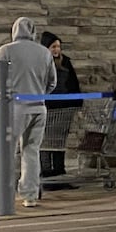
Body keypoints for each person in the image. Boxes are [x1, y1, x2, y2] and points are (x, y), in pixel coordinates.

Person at [0, 17, 56, 210]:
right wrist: (39, 93)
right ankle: (30, 196)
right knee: (31, 151)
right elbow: (52, 82)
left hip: (15, 107)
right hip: (39, 106)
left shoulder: (6, 50)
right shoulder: (44, 53)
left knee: (6, 151)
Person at [40, 30, 82, 186]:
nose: (57, 50)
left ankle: (59, 172)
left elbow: (73, 84)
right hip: (48, 108)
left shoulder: (66, 63)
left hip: (64, 109)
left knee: (59, 142)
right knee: (45, 143)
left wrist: (77, 103)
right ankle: (46, 173)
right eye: (53, 47)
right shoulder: (41, 64)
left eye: (58, 46)